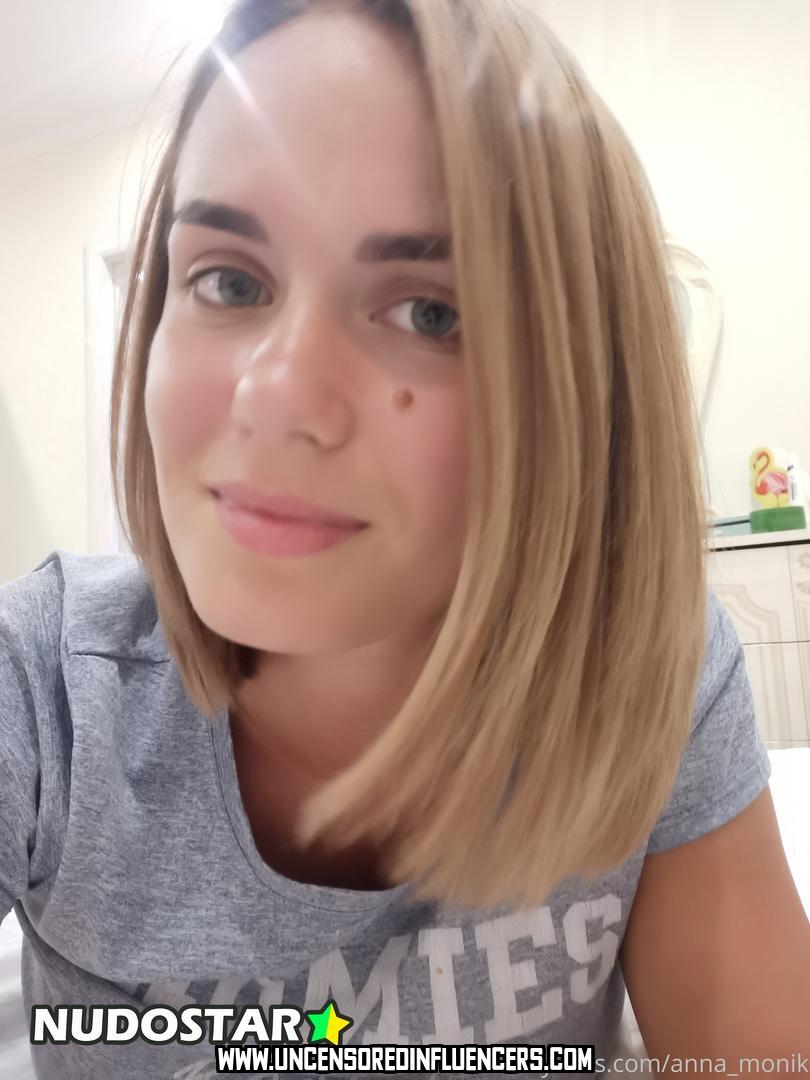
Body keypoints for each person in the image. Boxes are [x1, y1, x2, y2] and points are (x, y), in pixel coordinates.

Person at [1, 0, 808, 1077]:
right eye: (228, 281)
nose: (275, 398)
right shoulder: (44, 693)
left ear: (582, 396)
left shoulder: (651, 669)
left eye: (432, 313)